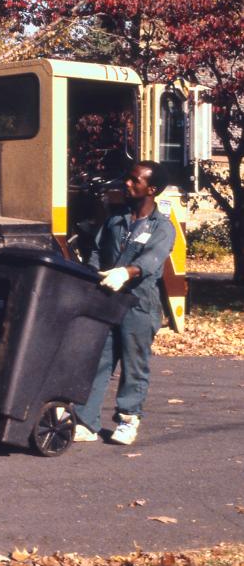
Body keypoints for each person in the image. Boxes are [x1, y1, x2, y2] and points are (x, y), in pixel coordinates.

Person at [74, 160, 176, 447]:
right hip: (108, 299)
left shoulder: (162, 228)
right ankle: (86, 422)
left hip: (139, 303)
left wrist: (126, 272)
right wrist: (92, 275)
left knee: (134, 363)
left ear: (151, 189)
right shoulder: (115, 219)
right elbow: (95, 248)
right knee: (99, 359)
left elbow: (151, 260)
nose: (126, 184)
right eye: (127, 178)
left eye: (134, 180)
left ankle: (128, 419)